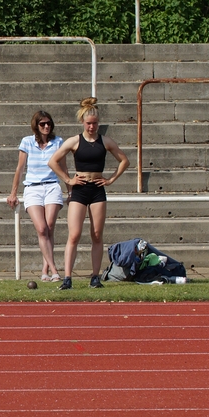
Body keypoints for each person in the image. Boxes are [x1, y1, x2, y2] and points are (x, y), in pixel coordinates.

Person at [48, 97, 129, 290]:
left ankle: (95, 276)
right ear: (82, 122)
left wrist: (110, 179)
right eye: (88, 123)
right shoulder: (75, 141)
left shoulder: (105, 141)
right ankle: (68, 278)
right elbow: (53, 161)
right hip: (80, 190)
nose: (92, 127)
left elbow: (124, 161)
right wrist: (68, 180)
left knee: (97, 234)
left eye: (95, 123)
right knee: (74, 234)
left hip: (97, 190)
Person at [7, 111, 64, 282]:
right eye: (42, 124)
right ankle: (54, 269)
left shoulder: (58, 142)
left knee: (50, 226)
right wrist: (13, 192)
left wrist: (70, 189)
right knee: (41, 228)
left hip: (52, 186)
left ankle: (46, 269)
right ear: (36, 125)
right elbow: (20, 168)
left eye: (48, 123)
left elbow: (63, 167)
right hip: (33, 188)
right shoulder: (27, 142)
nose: (46, 126)